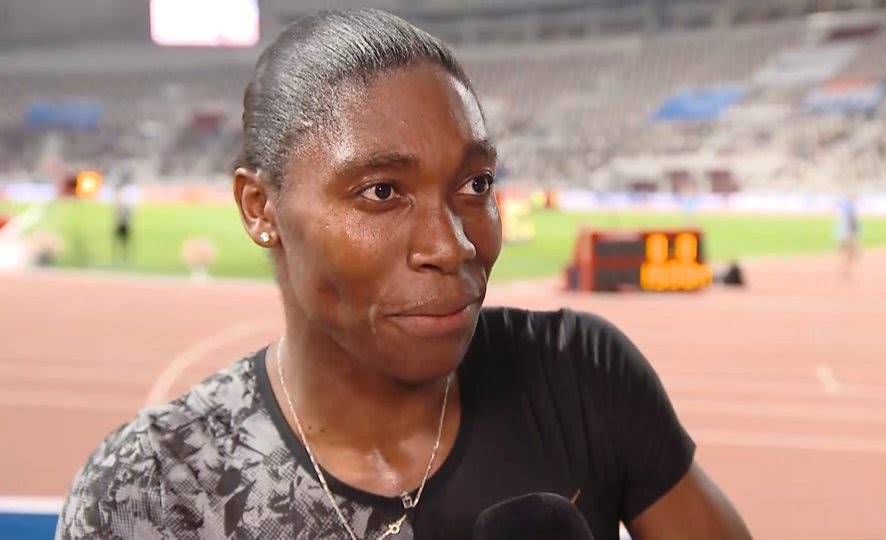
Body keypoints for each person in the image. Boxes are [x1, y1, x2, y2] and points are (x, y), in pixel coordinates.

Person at [56, 9, 751, 540]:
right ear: (260, 208)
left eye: (476, 184)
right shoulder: (149, 490)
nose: (452, 245)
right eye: (382, 192)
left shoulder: (581, 376)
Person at [836, 192, 861, 280]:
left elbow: (849, 221)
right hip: (848, 232)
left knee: (847, 251)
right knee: (849, 252)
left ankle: (844, 269)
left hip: (846, 232)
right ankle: (845, 270)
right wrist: (850, 233)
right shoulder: (849, 208)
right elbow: (850, 221)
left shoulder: (848, 207)